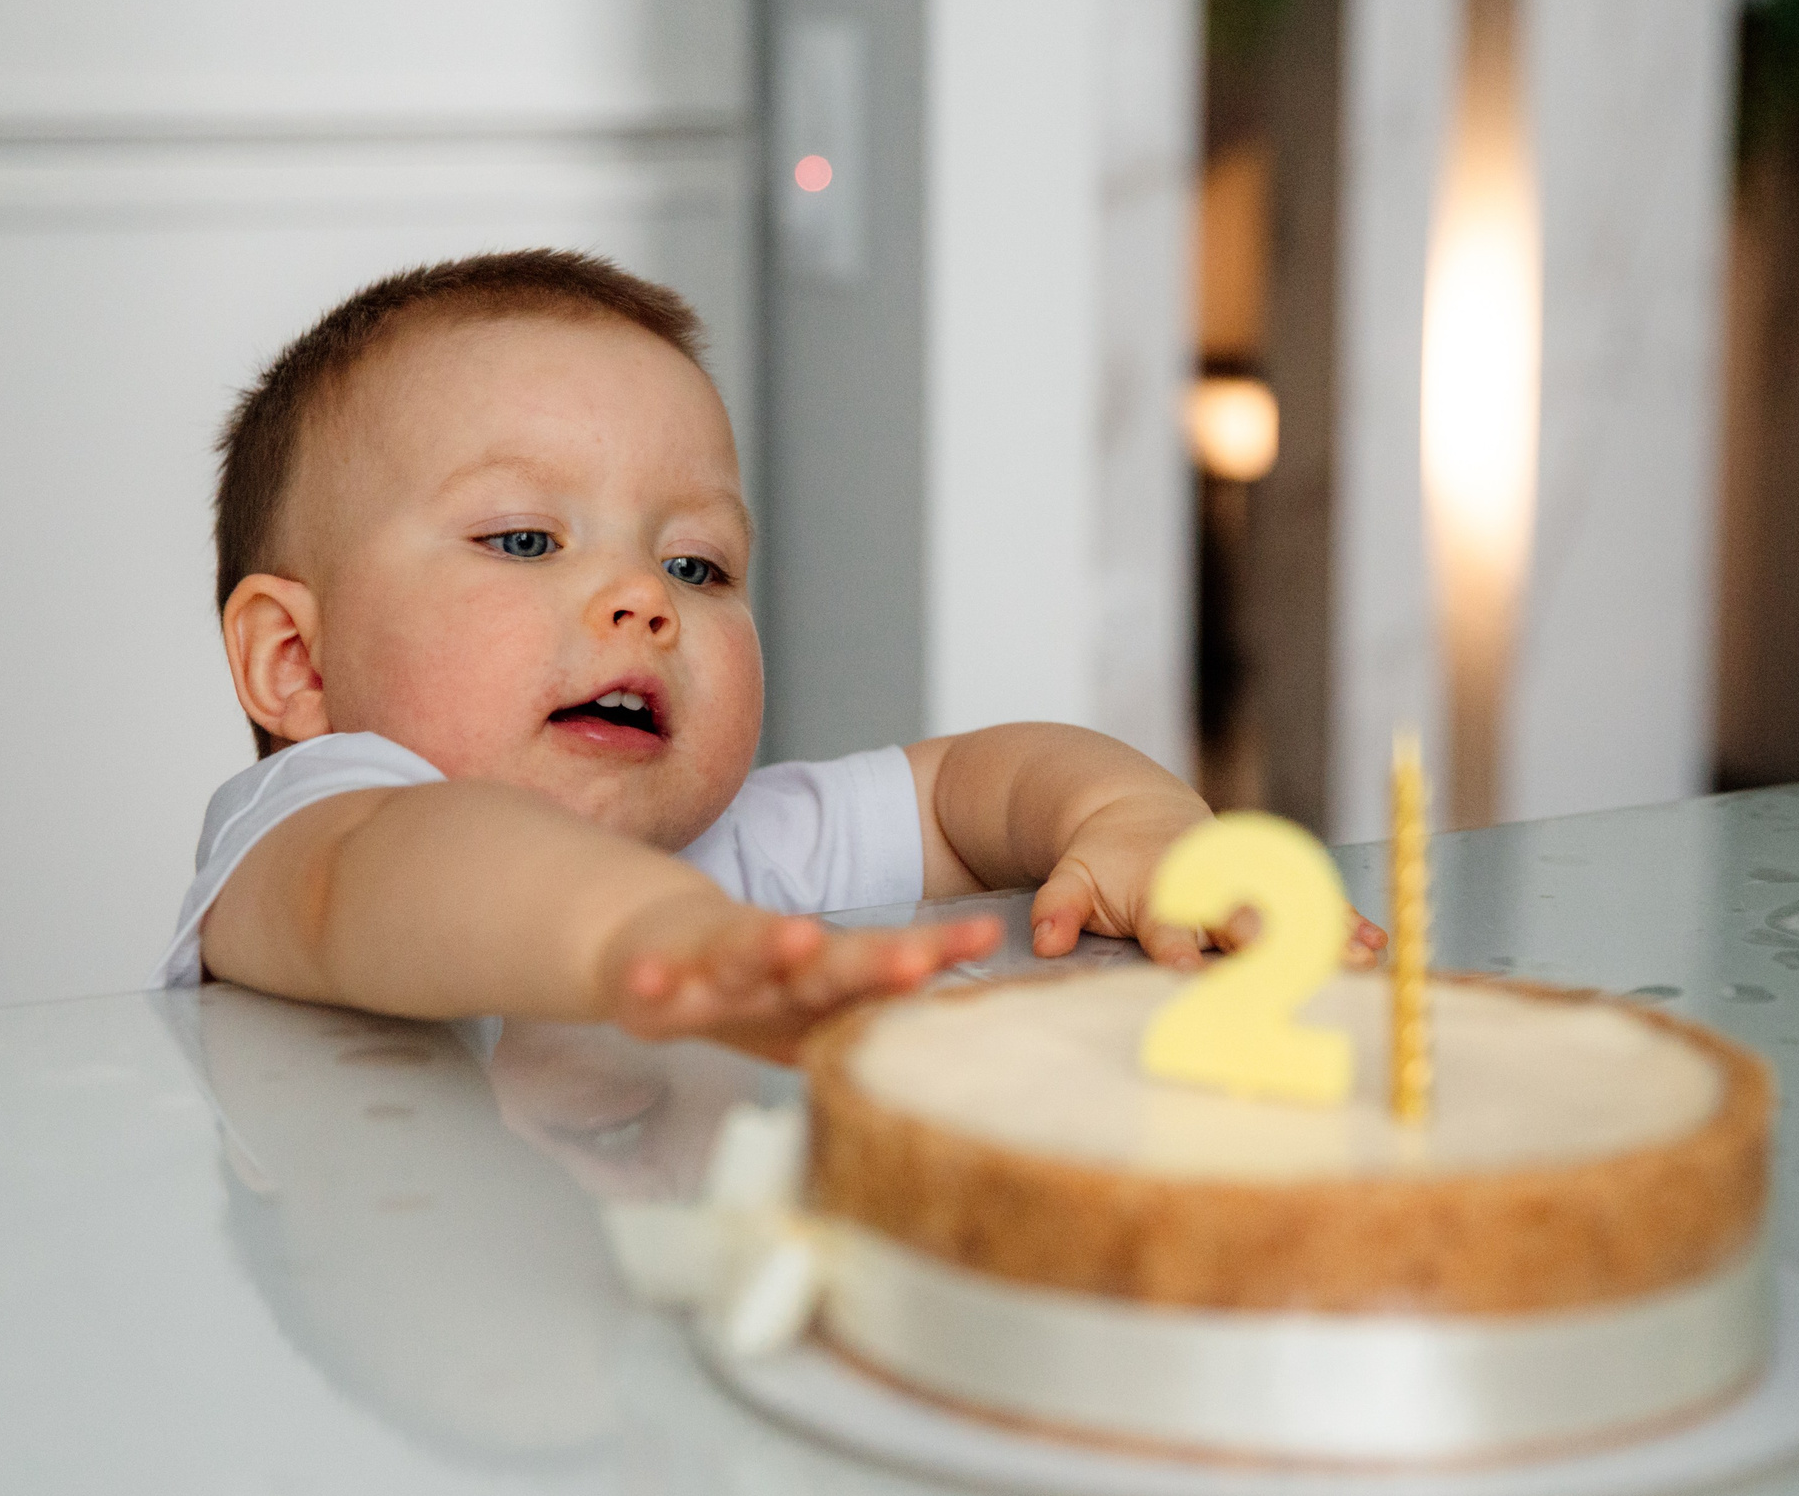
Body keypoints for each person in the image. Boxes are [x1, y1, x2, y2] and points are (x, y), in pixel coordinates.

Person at [155, 250, 1377, 1059]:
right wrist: (650, 935)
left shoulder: (724, 845)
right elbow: (400, 872)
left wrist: (1129, 815)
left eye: (697, 565)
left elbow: (966, 787)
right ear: (295, 666)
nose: (644, 599)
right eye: (526, 537)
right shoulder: (305, 828)